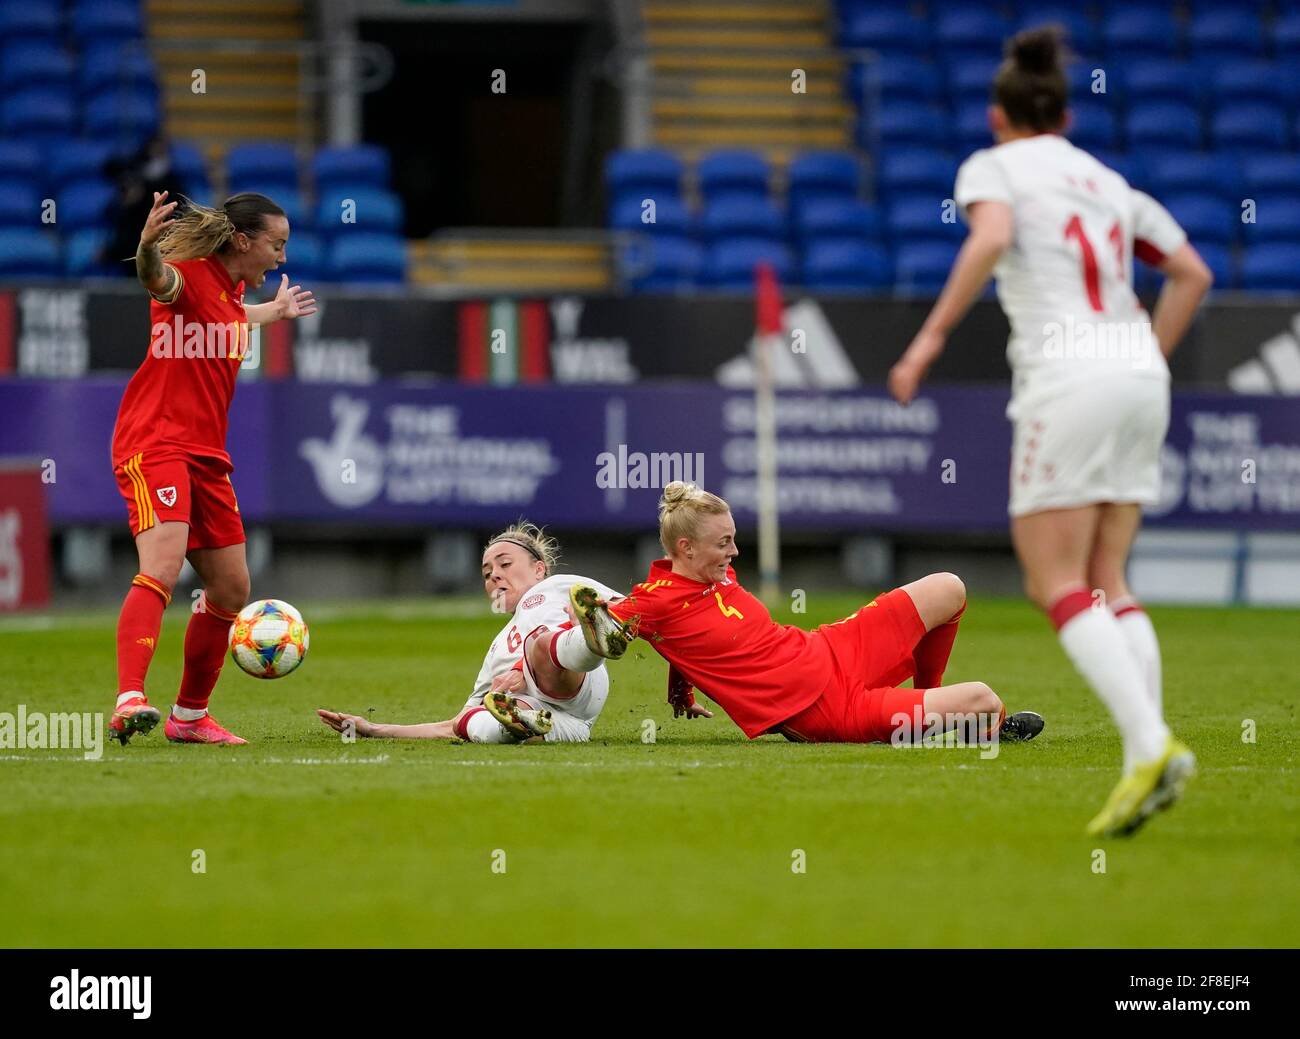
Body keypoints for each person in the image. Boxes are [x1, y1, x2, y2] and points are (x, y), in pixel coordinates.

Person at [886, 27, 1211, 836]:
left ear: (999, 118)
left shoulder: (993, 167)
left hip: (1068, 377)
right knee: (1109, 573)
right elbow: (1192, 272)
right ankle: (1153, 742)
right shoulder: (1107, 180)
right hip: (1138, 373)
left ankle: (1148, 745)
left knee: (1053, 579)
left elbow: (992, 236)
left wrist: (927, 340)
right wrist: (1143, 353)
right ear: (1064, 117)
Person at [540, 482, 1043, 749]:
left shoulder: (713, 574)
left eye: (733, 538)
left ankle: (922, 702)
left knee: (949, 588)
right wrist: (553, 630)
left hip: (831, 647)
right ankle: (976, 727)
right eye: (724, 543)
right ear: (686, 548)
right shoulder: (650, 601)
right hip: (824, 712)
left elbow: (682, 642)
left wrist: (681, 690)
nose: (735, 551)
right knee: (983, 699)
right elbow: (592, 627)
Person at [110, 190, 317, 746]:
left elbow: (224, 318)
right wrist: (148, 246)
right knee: (163, 562)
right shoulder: (186, 276)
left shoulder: (230, 294)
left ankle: (190, 716)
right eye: (277, 244)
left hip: (206, 455)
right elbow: (158, 280)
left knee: (230, 588)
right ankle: (130, 695)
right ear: (244, 240)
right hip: (156, 442)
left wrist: (272, 312)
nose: (282, 256)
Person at [317, 522, 619, 744]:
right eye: (487, 574)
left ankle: (588, 638)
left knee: (538, 646)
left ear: (539, 569)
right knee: (472, 721)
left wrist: (524, 669)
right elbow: (451, 726)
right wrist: (373, 729)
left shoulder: (556, 587)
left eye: (505, 564)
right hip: (568, 725)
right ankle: (519, 725)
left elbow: (631, 609)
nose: (494, 575)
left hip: (581, 679)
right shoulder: (497, 648)